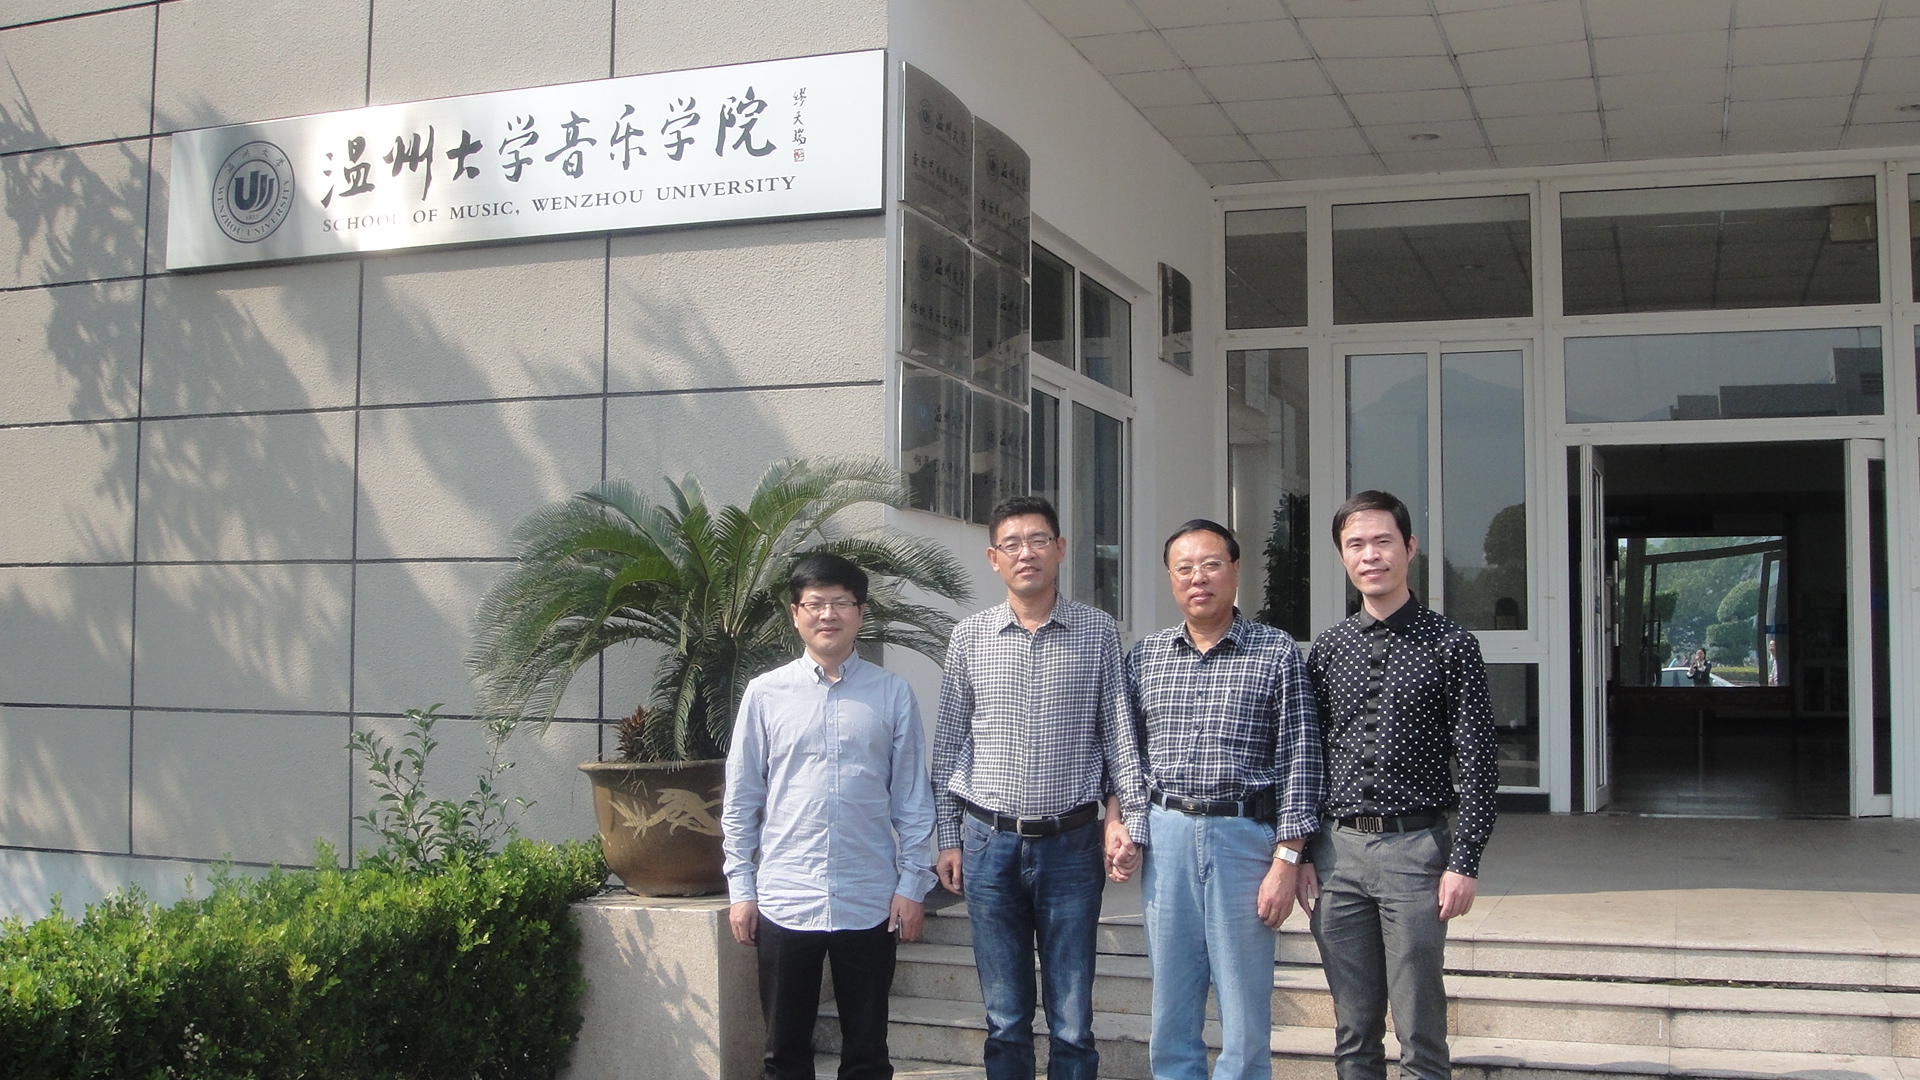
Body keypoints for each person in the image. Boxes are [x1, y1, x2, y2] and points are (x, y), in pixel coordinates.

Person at [930, 495, 1147, 1080]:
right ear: (994, 558)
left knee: (1072, 1020)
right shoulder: (969, 637)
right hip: (988, 844)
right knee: (1004, 1018)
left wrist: (1128, 823)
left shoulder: (1097, 631)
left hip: (1071, 847)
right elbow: (948, 746)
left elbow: (1119, 737)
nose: (1025, 553)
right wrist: (948, 838)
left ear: (1060, 549)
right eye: (1012, 543)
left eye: (1037, 540)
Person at [1300, 491, 1499, 1080]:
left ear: (1409, 548)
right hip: (1337, 855)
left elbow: (1480, 764)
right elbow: (1308, 758)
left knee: (1420, 1030)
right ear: (1343, 556)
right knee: (1353, 1029)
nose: (1370, 555)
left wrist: (1465, 861)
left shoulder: (1451, 645)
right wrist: (1303, 851)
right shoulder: (1329, 648)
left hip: (1416, 853)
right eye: (1355, 545)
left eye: (1383, 541)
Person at [721, 552, 936, 1080]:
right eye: (815, 603)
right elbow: (742, 797)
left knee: (867, 1054)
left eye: (841, 602)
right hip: (785, 897)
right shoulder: (765, 694)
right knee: (783, 1054)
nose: (828, 614)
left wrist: (913, 884)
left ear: (860, 613)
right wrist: (741, 888)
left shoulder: (891, 693)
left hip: (869, 899)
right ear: (795, 613)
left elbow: (912, 798)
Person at [1124, 520, 1323, 1080]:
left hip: (1244, 839)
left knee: (1243, 997)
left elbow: (1302, 760)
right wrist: (1121, 822)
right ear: (1171, 579)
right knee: (1172, 997)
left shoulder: (1276, 652)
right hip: (1166, 835)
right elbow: (1126, 754)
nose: (1199, 578)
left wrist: (1288, 859)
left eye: (1211, 564)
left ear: (1235, 571)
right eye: (1184, 568)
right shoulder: (1146, 657)